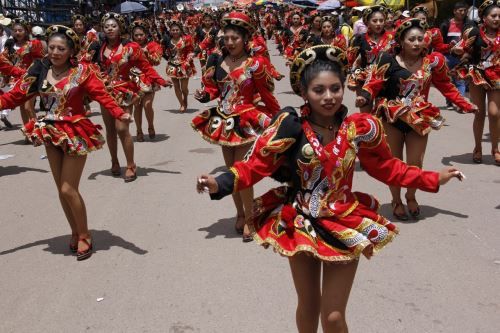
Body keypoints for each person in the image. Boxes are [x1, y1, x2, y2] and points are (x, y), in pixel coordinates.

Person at [196, 44, 465, 333]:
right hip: (300, 222)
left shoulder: (359, 127)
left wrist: (432, 178)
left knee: (334, 317)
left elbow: (388, 167)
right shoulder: (291, 127)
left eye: (335, 88)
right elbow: (255, 165)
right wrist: (219, 182)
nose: (329, 97)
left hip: (343, 220)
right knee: (309, 306)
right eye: (319, 90)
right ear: (304, 93)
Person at [0, 25, 132, 260]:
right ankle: (74, 231)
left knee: (67, 187)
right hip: (50, 132)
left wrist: (118, 112)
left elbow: (102, 94)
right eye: (51, 47)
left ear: (71, 50)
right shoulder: (39, 69)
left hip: (75, 132)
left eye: (61, 48)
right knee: (60, 189)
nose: (55, 52)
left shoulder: (83, 72)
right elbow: (15, 95)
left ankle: (84, 235)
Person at [356, 19, 477, 220]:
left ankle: (411, 196)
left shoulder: (433, 62)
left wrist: (465, 104)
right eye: (411, 39)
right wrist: (365, 96)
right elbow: (373, 84)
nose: (416, 43)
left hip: (419, 119)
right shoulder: (387, 60)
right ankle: (396, 200)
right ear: (401, 41)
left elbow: (446, 85)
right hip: (391, 118)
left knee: (415, 164)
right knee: (394, 164)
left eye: (420, 39)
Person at [191, 11, 280, 242]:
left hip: (246, 121)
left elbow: (266, 96)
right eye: (227, 38)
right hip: (223, 121)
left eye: (235, 38)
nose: (230, 43)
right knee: (231, 171)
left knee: (242, 172)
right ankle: (239, 213)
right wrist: (204, 94)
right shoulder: (217, 61)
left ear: (245, 39)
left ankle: (250, 218)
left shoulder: (255, 64)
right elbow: (214, 90)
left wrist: (277, 118)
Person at [87, 12, 169, 182]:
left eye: (114, 25)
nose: (110, 29)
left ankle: (131, 165)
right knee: (110, 130)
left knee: (122, 129)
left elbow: (146, 67)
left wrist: (160, 80)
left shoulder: (131, 47)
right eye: (107, 26)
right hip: (105, 92)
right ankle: (115, 161)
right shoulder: (97, 47)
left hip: (124, 92)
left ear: (120, 28)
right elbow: (83, 64)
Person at [452, 0, 500, 165]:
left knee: (494, 113)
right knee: (479, 113)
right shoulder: (474, 32)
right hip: (477, 75)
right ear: (484, 18)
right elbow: (462, 49)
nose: (497, 19)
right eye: (493, 16)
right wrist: (459, 53)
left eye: (499, 16)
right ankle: (478, 148)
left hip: (497, 76)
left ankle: (495, 149)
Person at [347, 5, 394, 113]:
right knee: (365, 113)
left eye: (381, 20)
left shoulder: (392, 38)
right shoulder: (359, 39)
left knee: (383, 112)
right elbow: (349, 60)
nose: (378, 24)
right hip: (364, 78)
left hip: (385, 78)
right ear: (367, 22)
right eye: (375, 21)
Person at [2, 18, 44, 132]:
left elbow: (40, 61)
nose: (17, 33)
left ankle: (38, 131)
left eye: (20, 30)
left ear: (26, 31)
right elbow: (6, 64)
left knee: (28, 107)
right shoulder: (10, 47)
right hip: (17, 79)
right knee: (22, 107)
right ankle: (29, 131)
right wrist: (6, 77)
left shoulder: (33, 44)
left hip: (31, 79)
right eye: (15, 30)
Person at [130, 20, 164, 142]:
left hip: (149, 78)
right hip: (133, 80)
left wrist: (146, 54)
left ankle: (150, 125)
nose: (139, 37)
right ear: (132, 36)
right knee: (137, 106)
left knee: (147, 105)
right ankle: (139, 130)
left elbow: (157, 61)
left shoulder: (153, 45)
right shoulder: (128, 47)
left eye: (141, 34)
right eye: (136, 35)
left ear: (146, 35)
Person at [439, 2, 474, 110]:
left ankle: (460, 104)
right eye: (460, 10)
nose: (463, 13)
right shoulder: (446, 24)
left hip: (462, 58)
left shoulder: (469, 25)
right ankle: (450, 101)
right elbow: (440, 43)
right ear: (454, 11)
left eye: (464, 10)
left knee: (460, 80)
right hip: (448, 57)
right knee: (449, 81)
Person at [163, 21, 196, 113]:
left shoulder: (187, 39)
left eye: (177, 29)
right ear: (170, 31)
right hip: (172, 66)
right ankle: (181, 103)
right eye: (173, 30)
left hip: (184, 65)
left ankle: (185, 98)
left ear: (181, 30)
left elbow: (191, 51)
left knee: (184, 88)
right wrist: (168, 57)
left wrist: (188, 61)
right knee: (176, 86)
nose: (175, 31)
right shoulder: (167, 40)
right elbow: (162, 52)